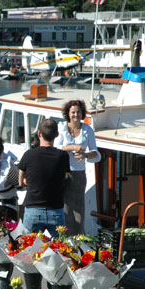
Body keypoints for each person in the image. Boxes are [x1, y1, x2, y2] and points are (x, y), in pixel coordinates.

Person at [54, 99, 101, 235]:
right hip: (62, 173)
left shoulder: (87, 130)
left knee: (78, 209)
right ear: (68, 113)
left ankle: (77, 240)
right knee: (64, 208)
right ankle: (62, 238)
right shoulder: (62, 127)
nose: (76, 115)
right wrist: (73, 147)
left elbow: (96, 154)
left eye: (78, 112)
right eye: (73, 112)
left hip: (79, 174)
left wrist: (86, 156)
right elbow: (57, 148)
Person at [18, 119, 70, 237]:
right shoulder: (63, 156)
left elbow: (20, 181)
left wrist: (26, 181)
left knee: (29, 249)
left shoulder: (29, 154)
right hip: (55, 210)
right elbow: (64, 176)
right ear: (56, 135)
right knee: (59, 250)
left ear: (39, 134)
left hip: (33, 209)